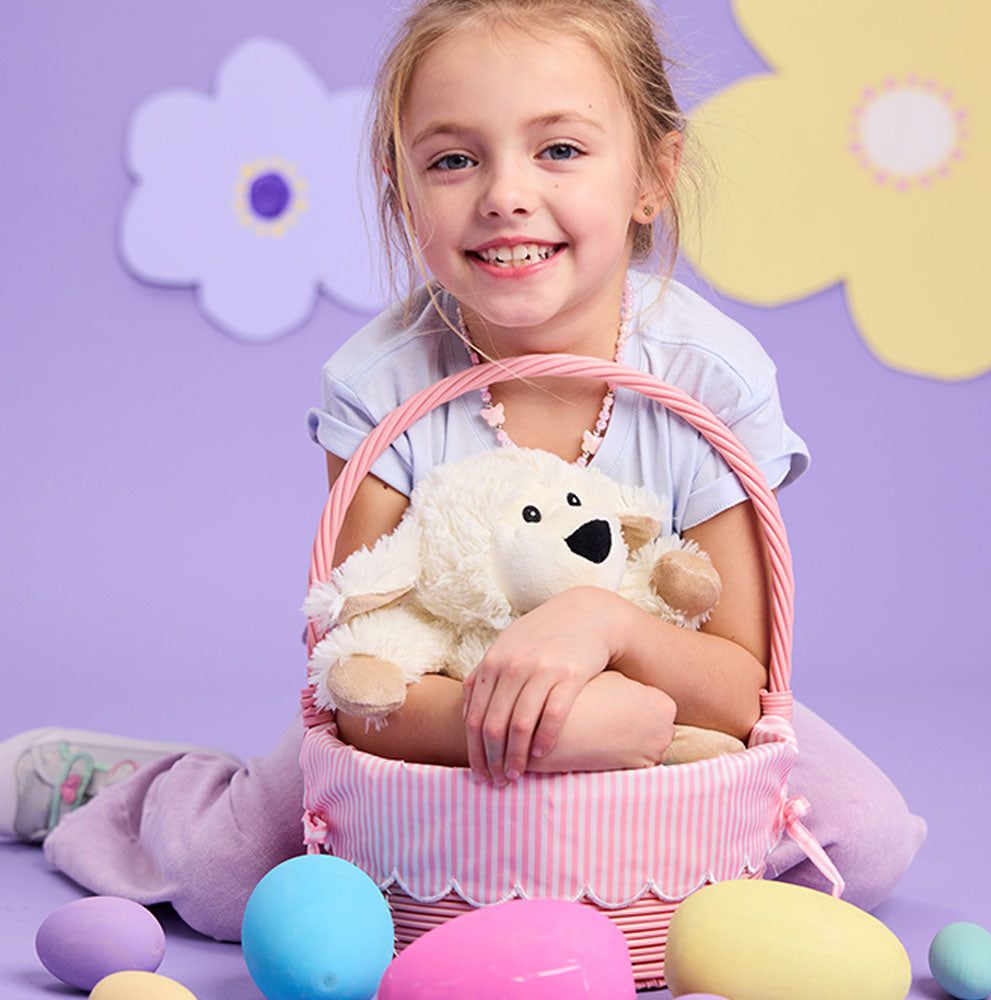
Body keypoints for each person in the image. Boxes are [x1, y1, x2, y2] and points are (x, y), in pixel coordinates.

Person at [0, 0, 924, 944]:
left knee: (865, 837)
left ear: (653, 172)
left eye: (559, 150)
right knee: (224, 880)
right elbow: (358, 691)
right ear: (402, 194)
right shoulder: (384, 388)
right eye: (452, 159)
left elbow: (742, 688)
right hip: (436, 718)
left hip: (661, 706)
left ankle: (615, 896)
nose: (504, 194)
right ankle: (129, 790)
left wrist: (604, 627)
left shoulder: (706, 382)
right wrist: (542, 736)